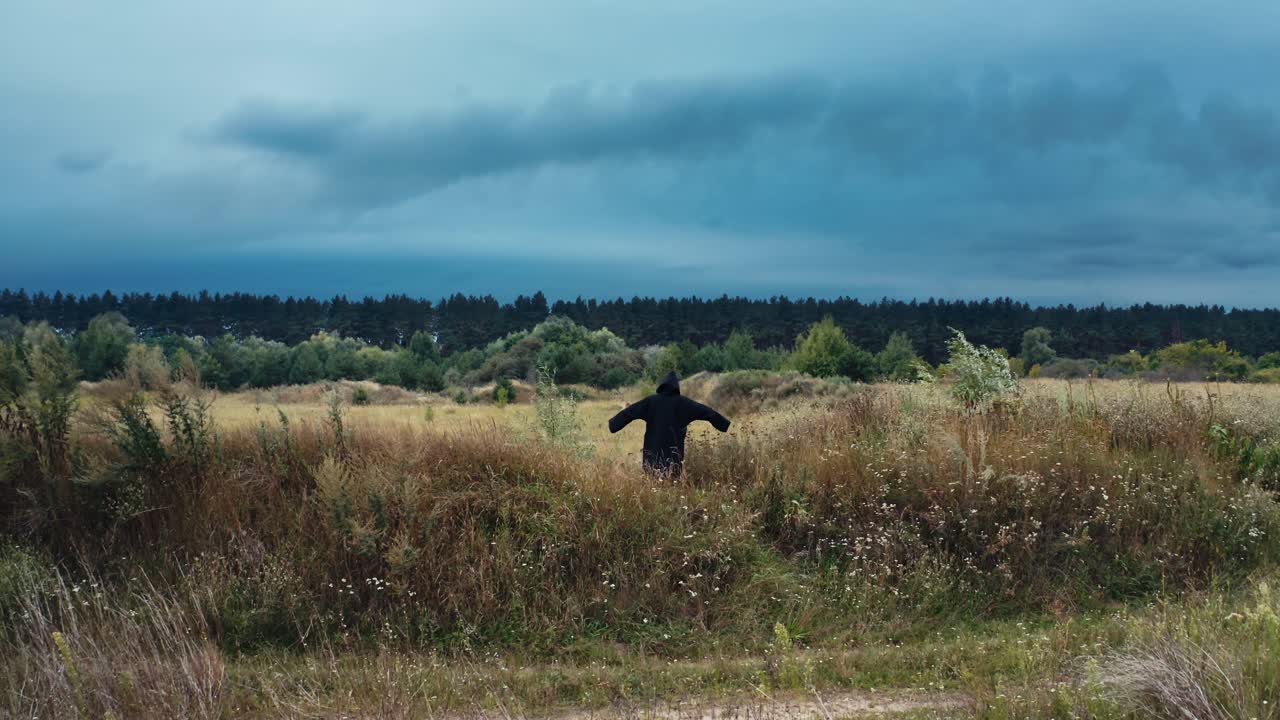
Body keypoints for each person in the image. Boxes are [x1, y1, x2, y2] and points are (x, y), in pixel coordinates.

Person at [608, 371, 730, 475]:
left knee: (652, 480)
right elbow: (707, 412)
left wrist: (614, 425)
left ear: (662, 386)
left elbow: (629, 413)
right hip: (674, 454)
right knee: (672, 480)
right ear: (676, 387)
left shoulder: (651, 401)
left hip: (652, 452)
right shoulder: (684, 403)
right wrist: (723, 424)